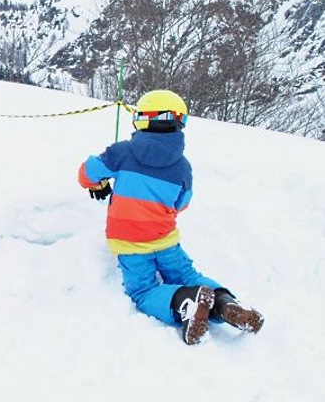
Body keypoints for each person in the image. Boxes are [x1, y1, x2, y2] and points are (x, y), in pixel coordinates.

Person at [78, 89, 264, 345]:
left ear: (142, 118)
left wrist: (98, 184)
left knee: (143, 291)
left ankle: (185, 302)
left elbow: (86, 173)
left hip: (130, 245)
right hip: (165, 239)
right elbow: (181, 203)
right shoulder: (182, 166)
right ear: (179, 122)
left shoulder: (121, 153)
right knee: (186, 274)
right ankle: (224, 304)